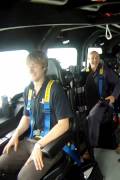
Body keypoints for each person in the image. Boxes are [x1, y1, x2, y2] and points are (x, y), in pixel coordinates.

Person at [0, 50, 73, 179]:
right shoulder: (28, 90)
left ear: (44, 67)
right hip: (30, 140)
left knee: (23, 178)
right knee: (1, 163)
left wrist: (39, 145)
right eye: (28, 66)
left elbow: (64, 125)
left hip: (50, 145)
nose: (30, 69)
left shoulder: (56, 90)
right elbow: (26, 117)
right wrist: (16, 134)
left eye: (34, 66)